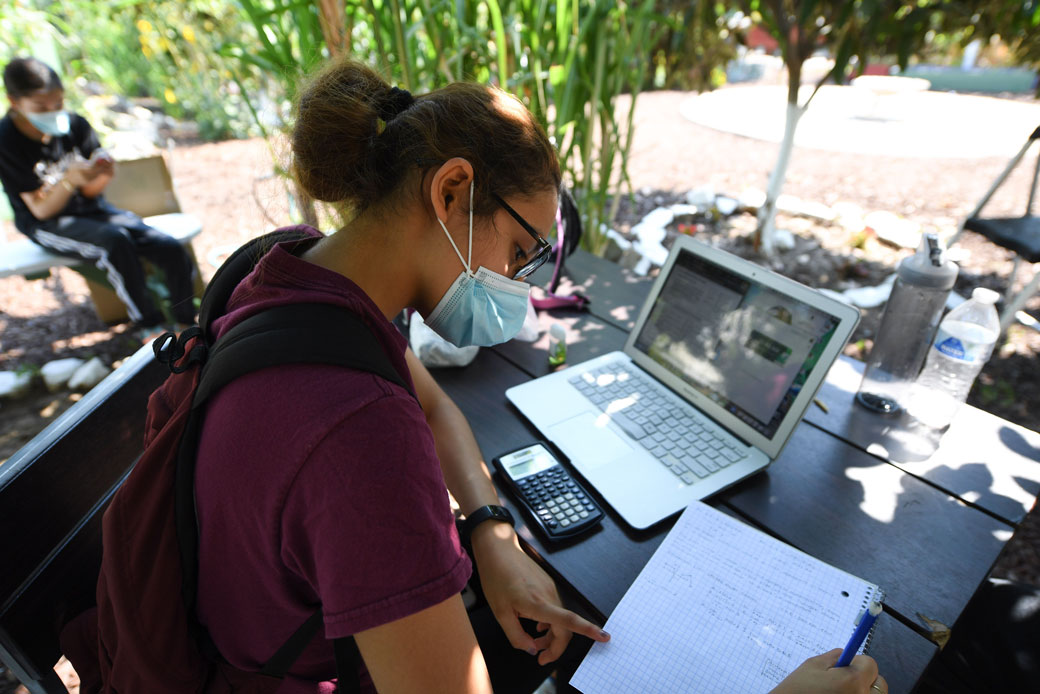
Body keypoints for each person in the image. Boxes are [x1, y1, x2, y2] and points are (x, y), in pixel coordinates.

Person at [188, 57, 889, 694]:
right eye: (524, 250)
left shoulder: (305, 275)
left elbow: (433, 408)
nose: (524, 285)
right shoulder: (361, 436)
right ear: (453, 190)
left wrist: (493, 534)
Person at [0, 57, 196, 330]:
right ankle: (150, 328)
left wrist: (102, 173)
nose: (53, 111)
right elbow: (42, 210)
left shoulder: (75, 125)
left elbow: (91, 193)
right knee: (115, 243)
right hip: (45, 223)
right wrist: (69, 181)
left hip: (92, 211)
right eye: (41, 106)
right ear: (14, 102)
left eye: (58, 103)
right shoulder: (6, 140)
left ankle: (188, 322)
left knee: (170, 248)